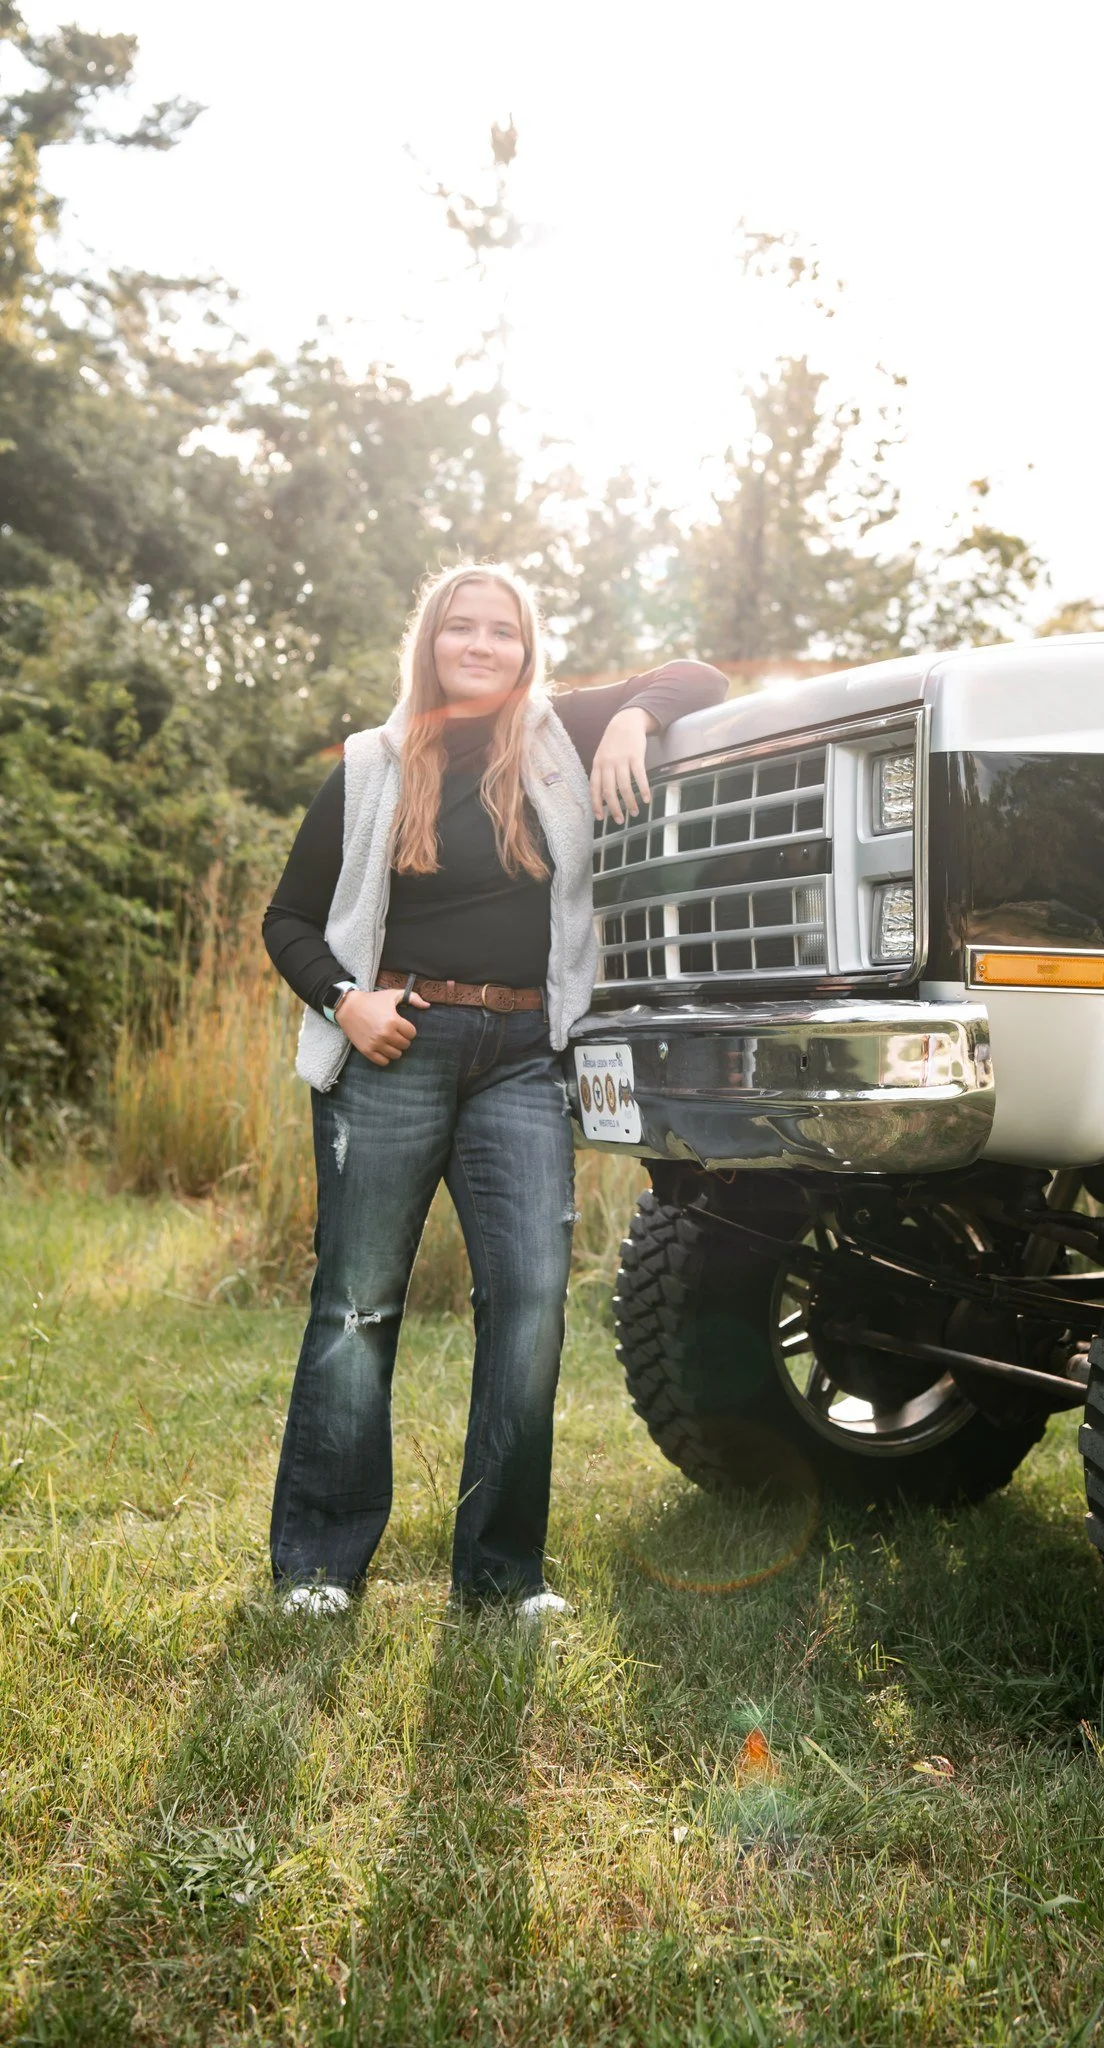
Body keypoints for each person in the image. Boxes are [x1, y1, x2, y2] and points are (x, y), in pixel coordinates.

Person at [262, 563, 727, 1620]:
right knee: (358, 1304)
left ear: (528, 649)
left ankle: (502, 1575)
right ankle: (320, 1566)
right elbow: (286, 918)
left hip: (526, 1052)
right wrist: (347, 1000)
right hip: (398, 1045)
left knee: (527, 1308)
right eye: (461, 627)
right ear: (428, 641)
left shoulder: (560, 735)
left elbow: (699, 672)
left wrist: (634, 719)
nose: (482, 644)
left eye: (503, 631)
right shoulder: (372, 766)